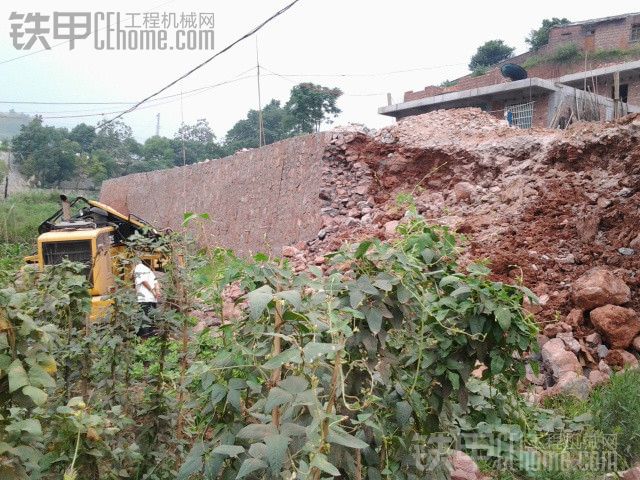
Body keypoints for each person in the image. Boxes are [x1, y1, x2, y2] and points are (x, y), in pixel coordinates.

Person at [134, 260, 160, 337]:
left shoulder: (138, 267)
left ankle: (144, 341)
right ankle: (150, 341)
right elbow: (156, 282)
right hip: (152, 299)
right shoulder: (150, 271)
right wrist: (157, 292)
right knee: (151, 320)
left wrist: (153, 292)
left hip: (144, 298)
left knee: (144, 321)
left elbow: (143, 281)